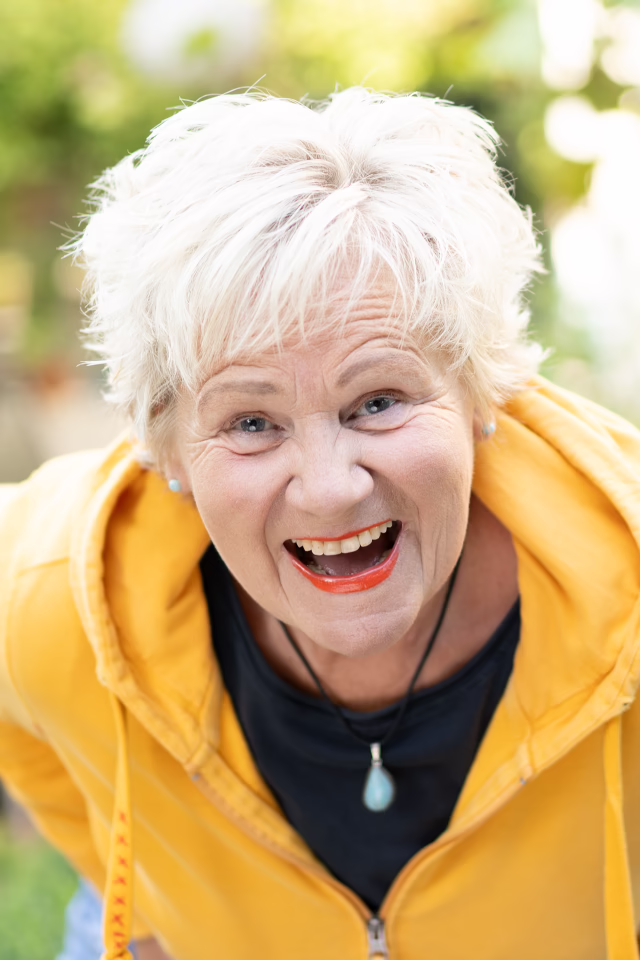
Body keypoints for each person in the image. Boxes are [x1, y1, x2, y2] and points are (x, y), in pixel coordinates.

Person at [1, 87, 639, 960]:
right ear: (167, 449)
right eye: (252, 423)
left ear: (480, 392)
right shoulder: (51, 590)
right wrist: (144, 904)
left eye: (377, 400)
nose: (331, 489)